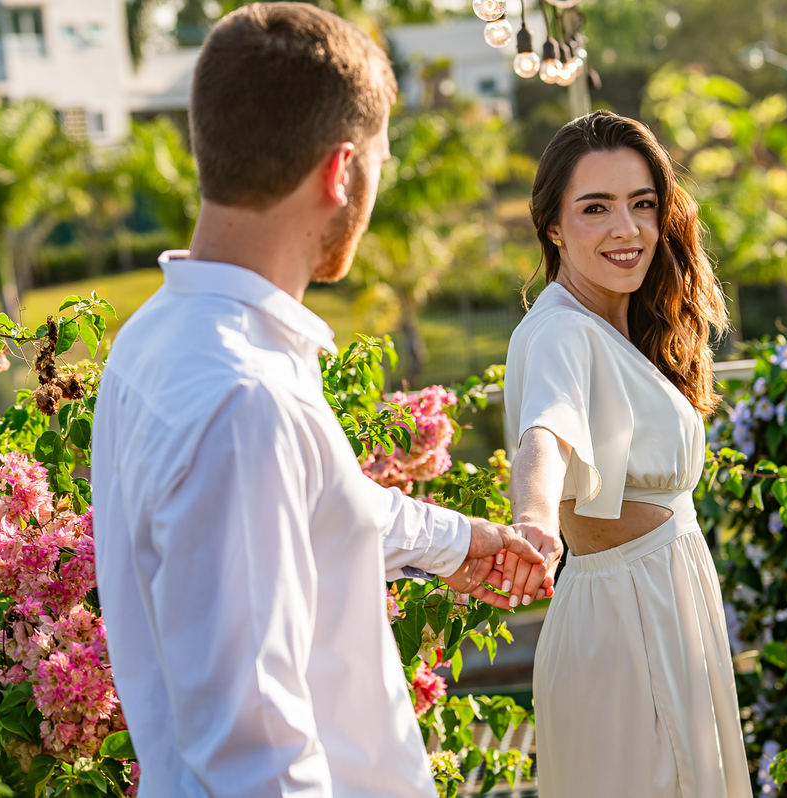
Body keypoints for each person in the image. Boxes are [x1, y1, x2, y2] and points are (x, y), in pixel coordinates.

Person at [91, 5, 552, 796]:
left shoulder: (156, 341)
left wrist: (456, 542)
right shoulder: (245, 402)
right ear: (342, 171)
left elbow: (315, 508)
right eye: (379, 162)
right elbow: (257, 757)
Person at [502, 111, 753, 797]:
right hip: (626, 615)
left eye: (642, 204)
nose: (628, 229)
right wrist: (533, 522)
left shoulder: (617, 328)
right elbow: (546, 434)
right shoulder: (561, 332)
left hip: (664, 601)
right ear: (553, 226)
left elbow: (597, 456)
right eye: (596, 208)